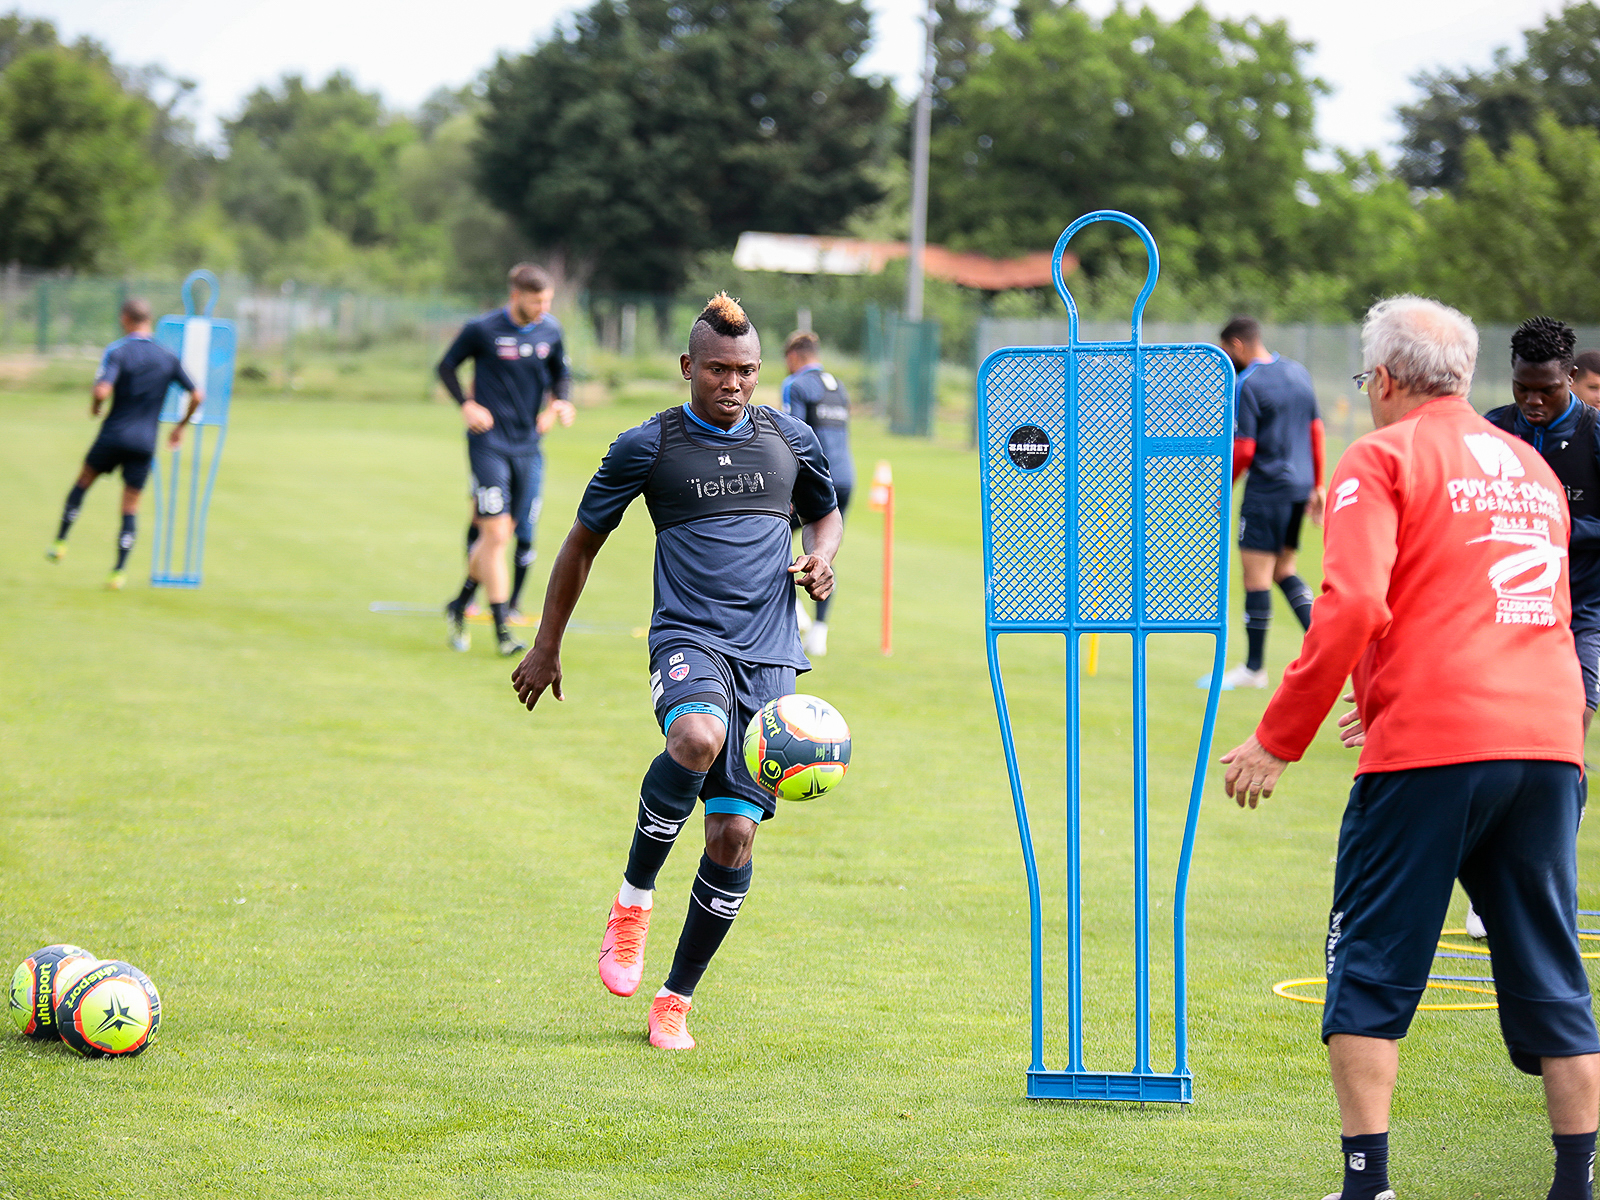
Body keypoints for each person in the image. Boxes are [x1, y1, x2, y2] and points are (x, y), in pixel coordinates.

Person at [1221, 296, 1599, 1200]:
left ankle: (1367, 1186)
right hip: (1549, 738)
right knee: (1551, 966)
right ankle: (1575, 1184)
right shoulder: (1528, 466)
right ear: (1466, 376)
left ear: (1383, 380)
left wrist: (1279, 739)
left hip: (1434, 748)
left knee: (1370, 965)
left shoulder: (1380, 456)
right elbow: (1489, 600)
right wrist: (1378, 689)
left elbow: (1352, 603)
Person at [510, 293, 841, 1051]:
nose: (734, 383)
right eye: (719, 369)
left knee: (731, 836)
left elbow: (826, 512)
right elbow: (581, 543)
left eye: (748, 371)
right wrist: (546, 643)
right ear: (689, 367)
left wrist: (823, 556)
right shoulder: (648, 446)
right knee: (695, 736)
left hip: (770, 657)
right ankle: (632, 903)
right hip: (688, 637)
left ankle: (675, 1000)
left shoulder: (789, 438)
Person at [437, 263, 575, 657]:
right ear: (516, 296)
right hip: (488, 444)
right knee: (496, 535)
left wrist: (560, 404)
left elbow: (561, 375)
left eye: (548, 300)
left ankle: (459, 604)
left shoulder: (551, 330)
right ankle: (502, 631)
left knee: (505, 533)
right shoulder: (482, 329)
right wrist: (466, 405)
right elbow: (446, 367)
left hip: (529, 447)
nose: (544, 308)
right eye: (537, 301)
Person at [1484, 317, 1600, 737]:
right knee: (1498, 729)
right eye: (1522, 387)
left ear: (1570, 377)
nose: (1533, 400)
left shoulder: (1594, 432)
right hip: (1505, 607)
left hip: (1583, 609)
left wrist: (1556, 529)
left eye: (1547, 390)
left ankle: (1573, 803)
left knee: (1571, 724)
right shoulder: (1491, 430)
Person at [47, 298, 202, 590]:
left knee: (83, 481)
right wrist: (179, 428)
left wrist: (95, 406)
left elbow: (103, 389)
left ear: (124, 319)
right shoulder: (168, 356)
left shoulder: (119, 351)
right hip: (145, 441)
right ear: (149, 319)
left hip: (114, 434)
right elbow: (197, 395)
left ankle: (60, 541)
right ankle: (118, 573)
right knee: (130, 506)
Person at [1209, 316, 1326, 690]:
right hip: (1299, 488)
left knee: (1256, 577)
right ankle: (1326, 646)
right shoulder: (1297, 372)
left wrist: (1221, 488)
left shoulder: (1247, 383)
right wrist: (1318, 484)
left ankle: (1254, 668)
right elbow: (1315, 431)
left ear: (1237, 345)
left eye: (1228, 351)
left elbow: (1244, 448)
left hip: (1268, 490)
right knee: (1284, 570)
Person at [780, 330, 854, 657]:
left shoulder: (796, 385)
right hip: (845, 478)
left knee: (774, 529)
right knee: (825, 549)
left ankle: (793, 609)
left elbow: (792, 436)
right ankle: (820, 632)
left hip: (813, 480)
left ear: (795, 356)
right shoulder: (839, 387)